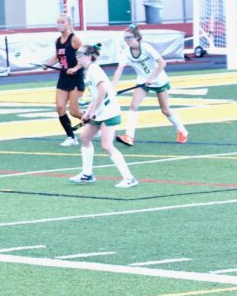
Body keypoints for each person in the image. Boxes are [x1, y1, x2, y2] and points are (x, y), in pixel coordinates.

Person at [69, 44, 138, 188]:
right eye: (77, 55)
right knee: (85, 138)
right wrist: (88, 112)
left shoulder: (94, 70)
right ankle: (87, 175)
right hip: (99, 111)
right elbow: (95, 96)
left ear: (88, 56)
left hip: (108, 111)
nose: (77, 57)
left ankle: (129, 178)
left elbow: (102, 90)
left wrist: (93, 111)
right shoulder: (87, 71)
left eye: (80, 54)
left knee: (106, 146)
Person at [111, 25, 188, 146]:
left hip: (159, 80)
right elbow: (119, 69)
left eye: (130, 37)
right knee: (133, 105)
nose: (127, 40)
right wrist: (112, 87)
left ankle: (182, 131)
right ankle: (129, 136)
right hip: (142, 82)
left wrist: (152, 78)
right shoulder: (125, 52)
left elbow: (162, 63)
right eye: (125, 38)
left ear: (137, 37)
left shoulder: (146, 47)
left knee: (165, 110)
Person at [43, 14, 85, 146]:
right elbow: (58, 56)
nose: (59, 24)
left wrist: (76, 68)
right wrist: (47, 63)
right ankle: (71, 137)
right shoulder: (57, 41)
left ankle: (96, 122)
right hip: (63, 78)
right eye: (58, 22)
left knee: (74, 111)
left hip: (76, 78)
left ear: (68, 24)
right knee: (60, 107)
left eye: (62, 22)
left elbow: (85, 56)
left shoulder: (74, 39)